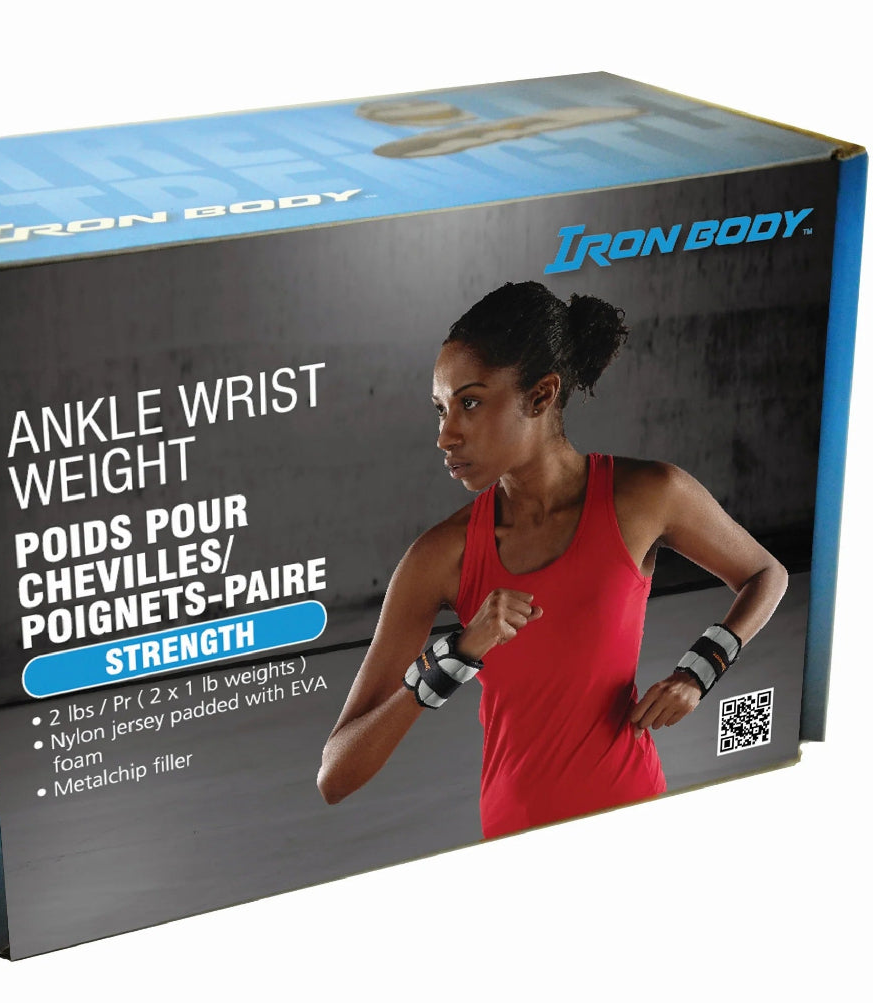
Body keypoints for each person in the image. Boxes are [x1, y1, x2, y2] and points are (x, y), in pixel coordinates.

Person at [316, 280, 788, 838]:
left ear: (541, 396)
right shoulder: (441, 555)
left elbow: (765, 573)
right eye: (441, 409)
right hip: (515, 839)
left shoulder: (647, 495)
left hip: (635, 816)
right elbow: (336, 774)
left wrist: (700, 668)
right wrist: (452, 659)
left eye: (470, 403)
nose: (445, 435)